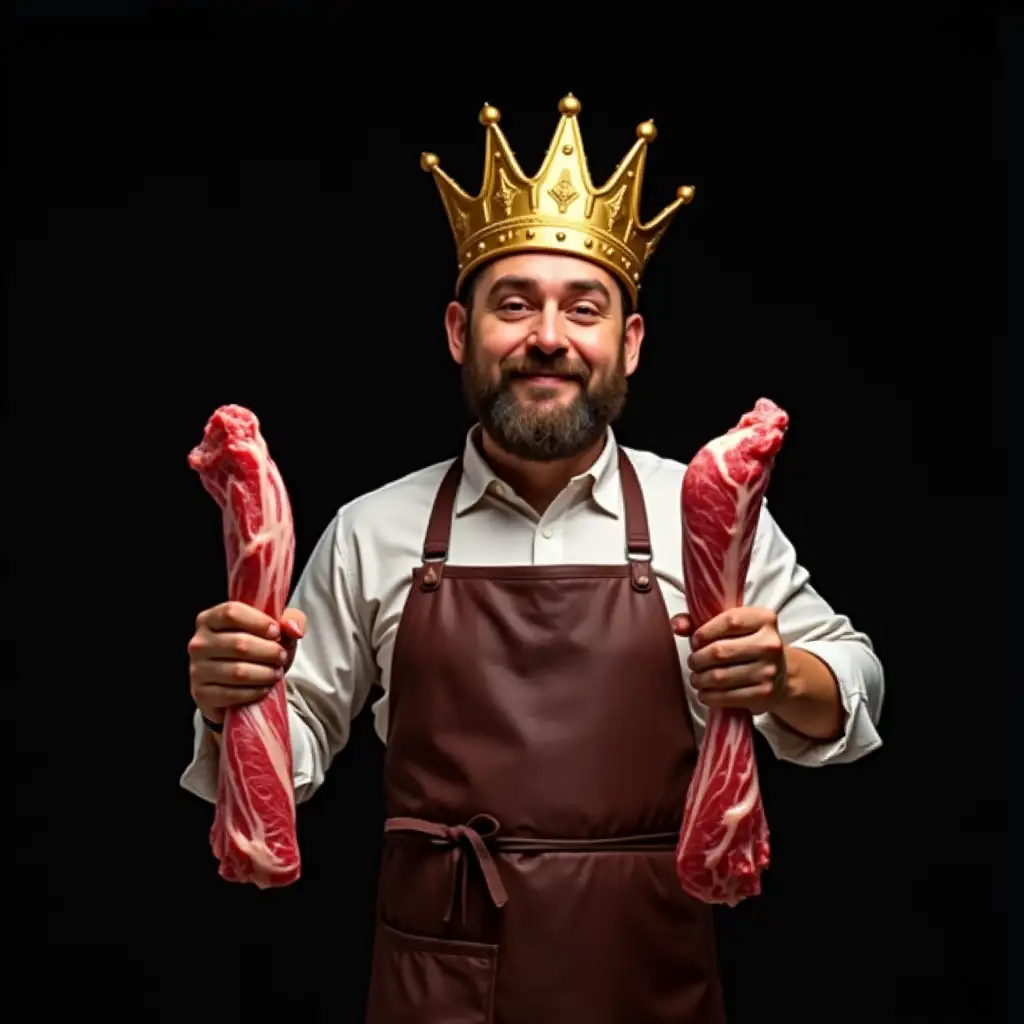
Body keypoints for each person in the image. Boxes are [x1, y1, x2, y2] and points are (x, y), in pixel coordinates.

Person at [181, 94, 884, 1023]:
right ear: (458, 332)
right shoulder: (374, 527)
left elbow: (854, 677)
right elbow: (293, 746)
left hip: (650, 976)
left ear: (626, 345)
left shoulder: (702, 512)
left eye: (582, 309)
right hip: (438, 981)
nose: (547, 336)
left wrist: (783, 672)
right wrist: (234, 697)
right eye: (513, 305)